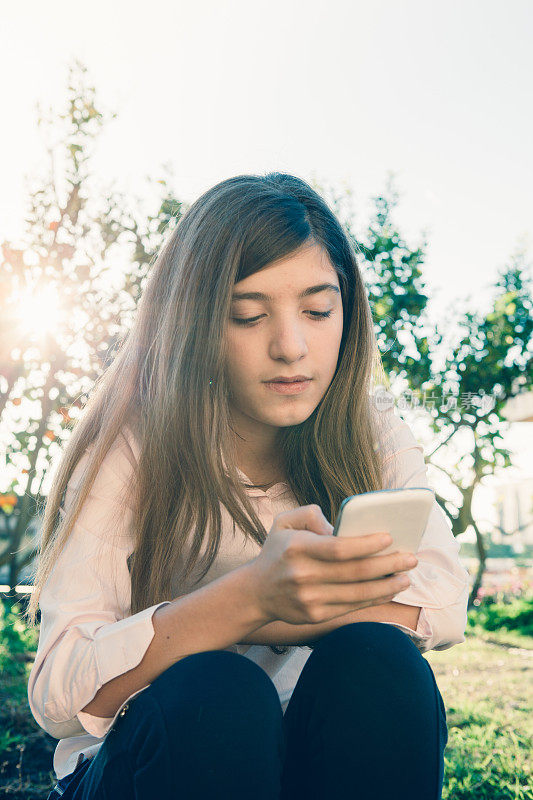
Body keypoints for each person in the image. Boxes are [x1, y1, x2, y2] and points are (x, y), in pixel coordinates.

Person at [25, 172, 469, 799]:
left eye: (318, 310)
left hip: (309, 759)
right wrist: (251, 599)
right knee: (220, 696)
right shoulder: (133, 444)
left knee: (381, 664)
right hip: (161, 760)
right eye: (246, 315)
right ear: (193, 326)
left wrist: (289, 606)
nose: (291, 347)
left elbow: (444, 603)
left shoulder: (369, 423)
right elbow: (58, 695)